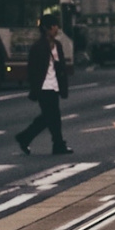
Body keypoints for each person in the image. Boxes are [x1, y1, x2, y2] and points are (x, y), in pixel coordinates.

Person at [16, 14, 72, 156]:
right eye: (54, 26)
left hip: (54, 86)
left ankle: (25, 137)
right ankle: (58, 145)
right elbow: (32, 69)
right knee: (53, 117)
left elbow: (61, 68)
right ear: (47, 28)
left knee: (49, 117)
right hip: (43, 87)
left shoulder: (57, 46)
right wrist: (34, 86)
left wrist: (63, 86)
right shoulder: (38, 47)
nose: (56, 29)